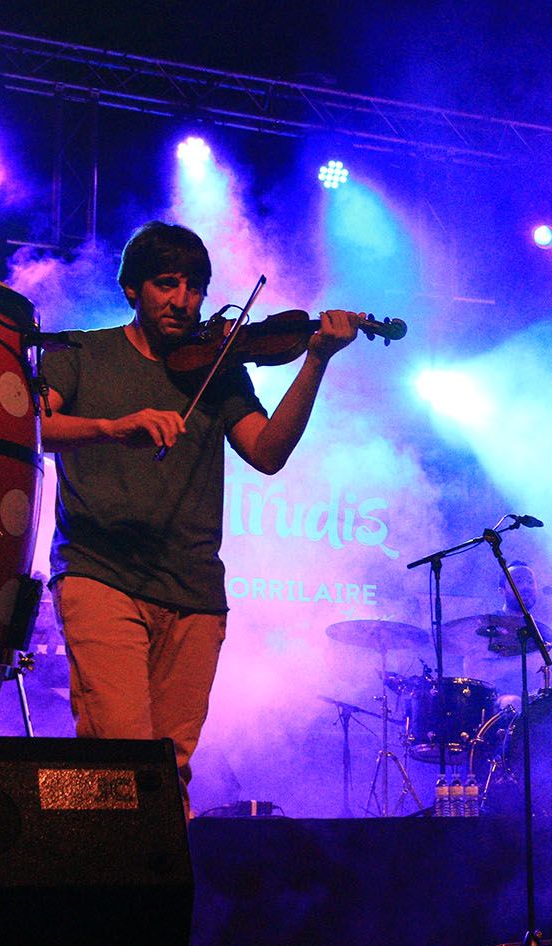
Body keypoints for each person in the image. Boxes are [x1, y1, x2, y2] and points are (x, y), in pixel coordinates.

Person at [42, 221, 362, 817]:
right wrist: (113, 428)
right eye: (168, 284)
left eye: (196, 288)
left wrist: (315, 361)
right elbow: (34, 425)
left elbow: (268, 452)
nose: (184, 302)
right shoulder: (80, 353)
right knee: (121, 756)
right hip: (99, 574)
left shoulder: (216, 369)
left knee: (168, 770)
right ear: (132, 288)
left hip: (192, 588)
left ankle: (157, 903)